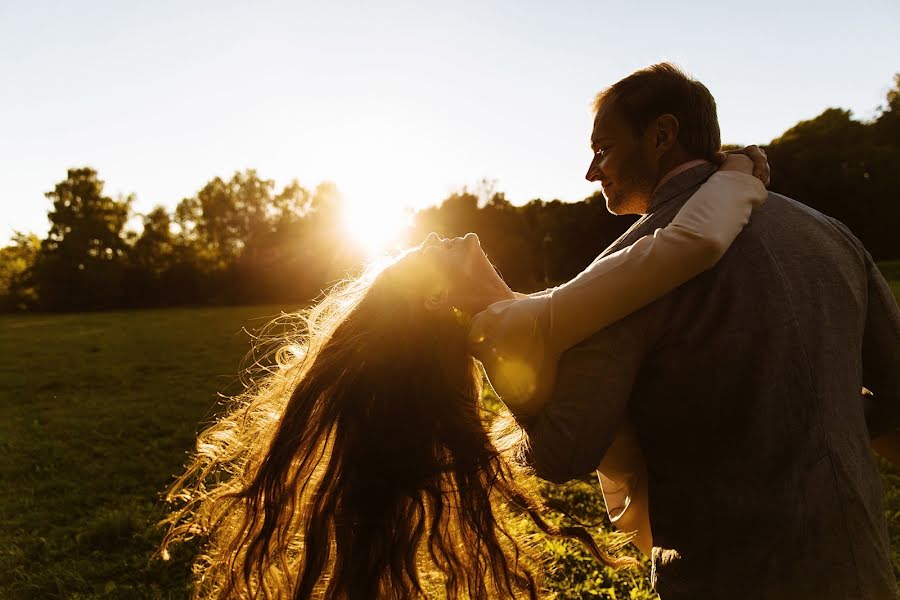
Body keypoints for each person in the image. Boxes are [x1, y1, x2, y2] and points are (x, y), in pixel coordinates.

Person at [160, 154, 766, 598]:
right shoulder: (521, 325)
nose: (438, 236)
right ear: (435, 299)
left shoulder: (519, 318)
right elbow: (691, 243)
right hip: (710, 524)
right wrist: (738, 173)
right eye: (429, 252)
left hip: (694, 507)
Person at [504, 62, 900, 599]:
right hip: (862, 571)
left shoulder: (628, 271)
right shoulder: (831, 234)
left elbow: (563, 453)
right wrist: (821, 414)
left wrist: (506, 375)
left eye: (603, 149)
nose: (591, 173)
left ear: (662, 135)